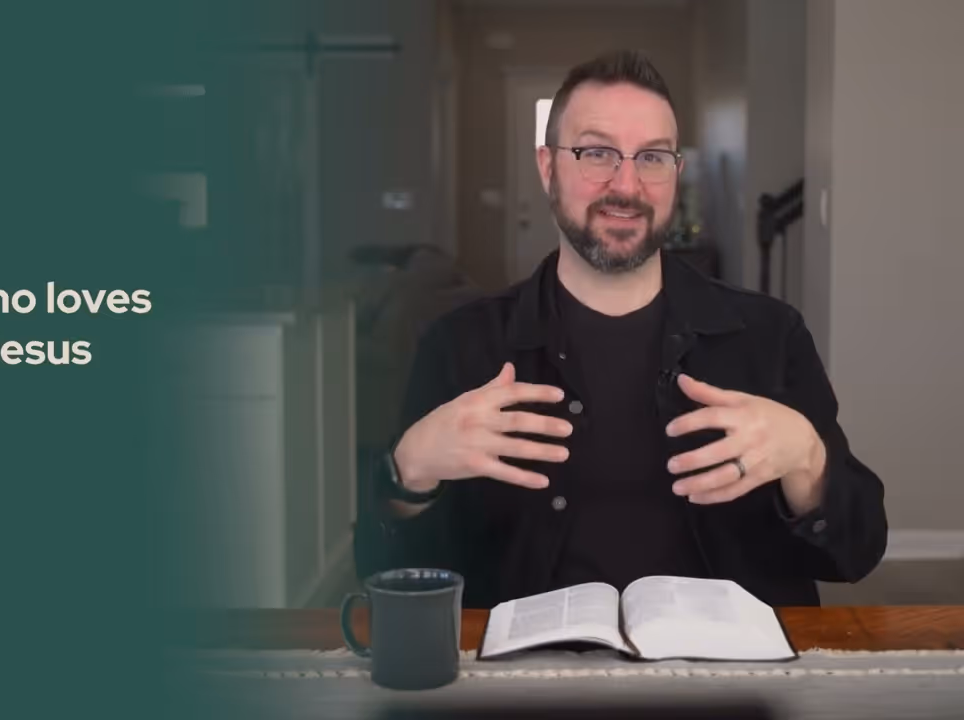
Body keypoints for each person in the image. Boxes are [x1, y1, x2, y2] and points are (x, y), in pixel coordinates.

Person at [358, 50, 888, 609]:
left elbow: (855, 555)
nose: (627, 185)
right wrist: (408, 472)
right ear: (547, 167)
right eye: (596, 153)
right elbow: (387, 577)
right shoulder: (459, 346)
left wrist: (808, 459)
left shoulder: (770, 336)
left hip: (731, 684)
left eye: (652, 157)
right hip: (526, 685)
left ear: (675, 173)